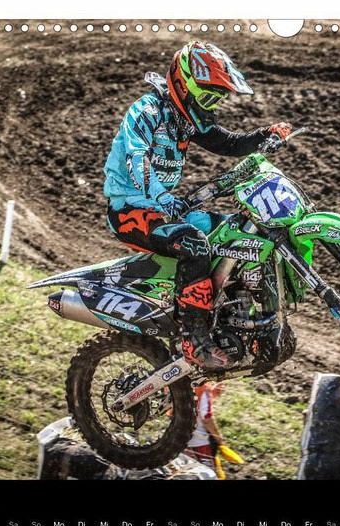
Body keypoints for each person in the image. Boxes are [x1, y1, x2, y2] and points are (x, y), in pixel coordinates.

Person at [103, 41, 292, 370]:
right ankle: (193, 339)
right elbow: (137, 159)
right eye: (208, 97)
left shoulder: (185, 118)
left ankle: (243, 321)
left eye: (218, 98)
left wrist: (264, 135)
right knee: (194, 244)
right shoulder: (147, 111)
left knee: (240, 232)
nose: (213, 105)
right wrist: (164, 198)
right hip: (129, 211)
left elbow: (226, 142)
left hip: (163, 209)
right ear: (183, 85)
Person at [185, 381, 226, 470]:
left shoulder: (185, 387)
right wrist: (219, 439)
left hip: (180, 442)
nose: (222, 389)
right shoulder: (205, 390)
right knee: (207, 473)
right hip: (200, 443)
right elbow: (207, 419)